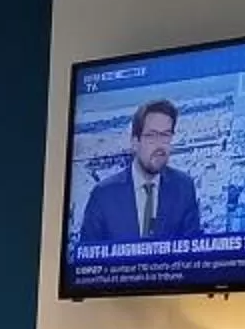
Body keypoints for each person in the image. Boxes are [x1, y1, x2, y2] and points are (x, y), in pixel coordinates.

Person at [75, 99, 201, 246]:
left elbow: (192, 248)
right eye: (152, 135)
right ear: (135, 142)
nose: (160, 145)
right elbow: (88, 252)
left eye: (166, 135)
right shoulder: (104, 194)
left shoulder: (183, 187)